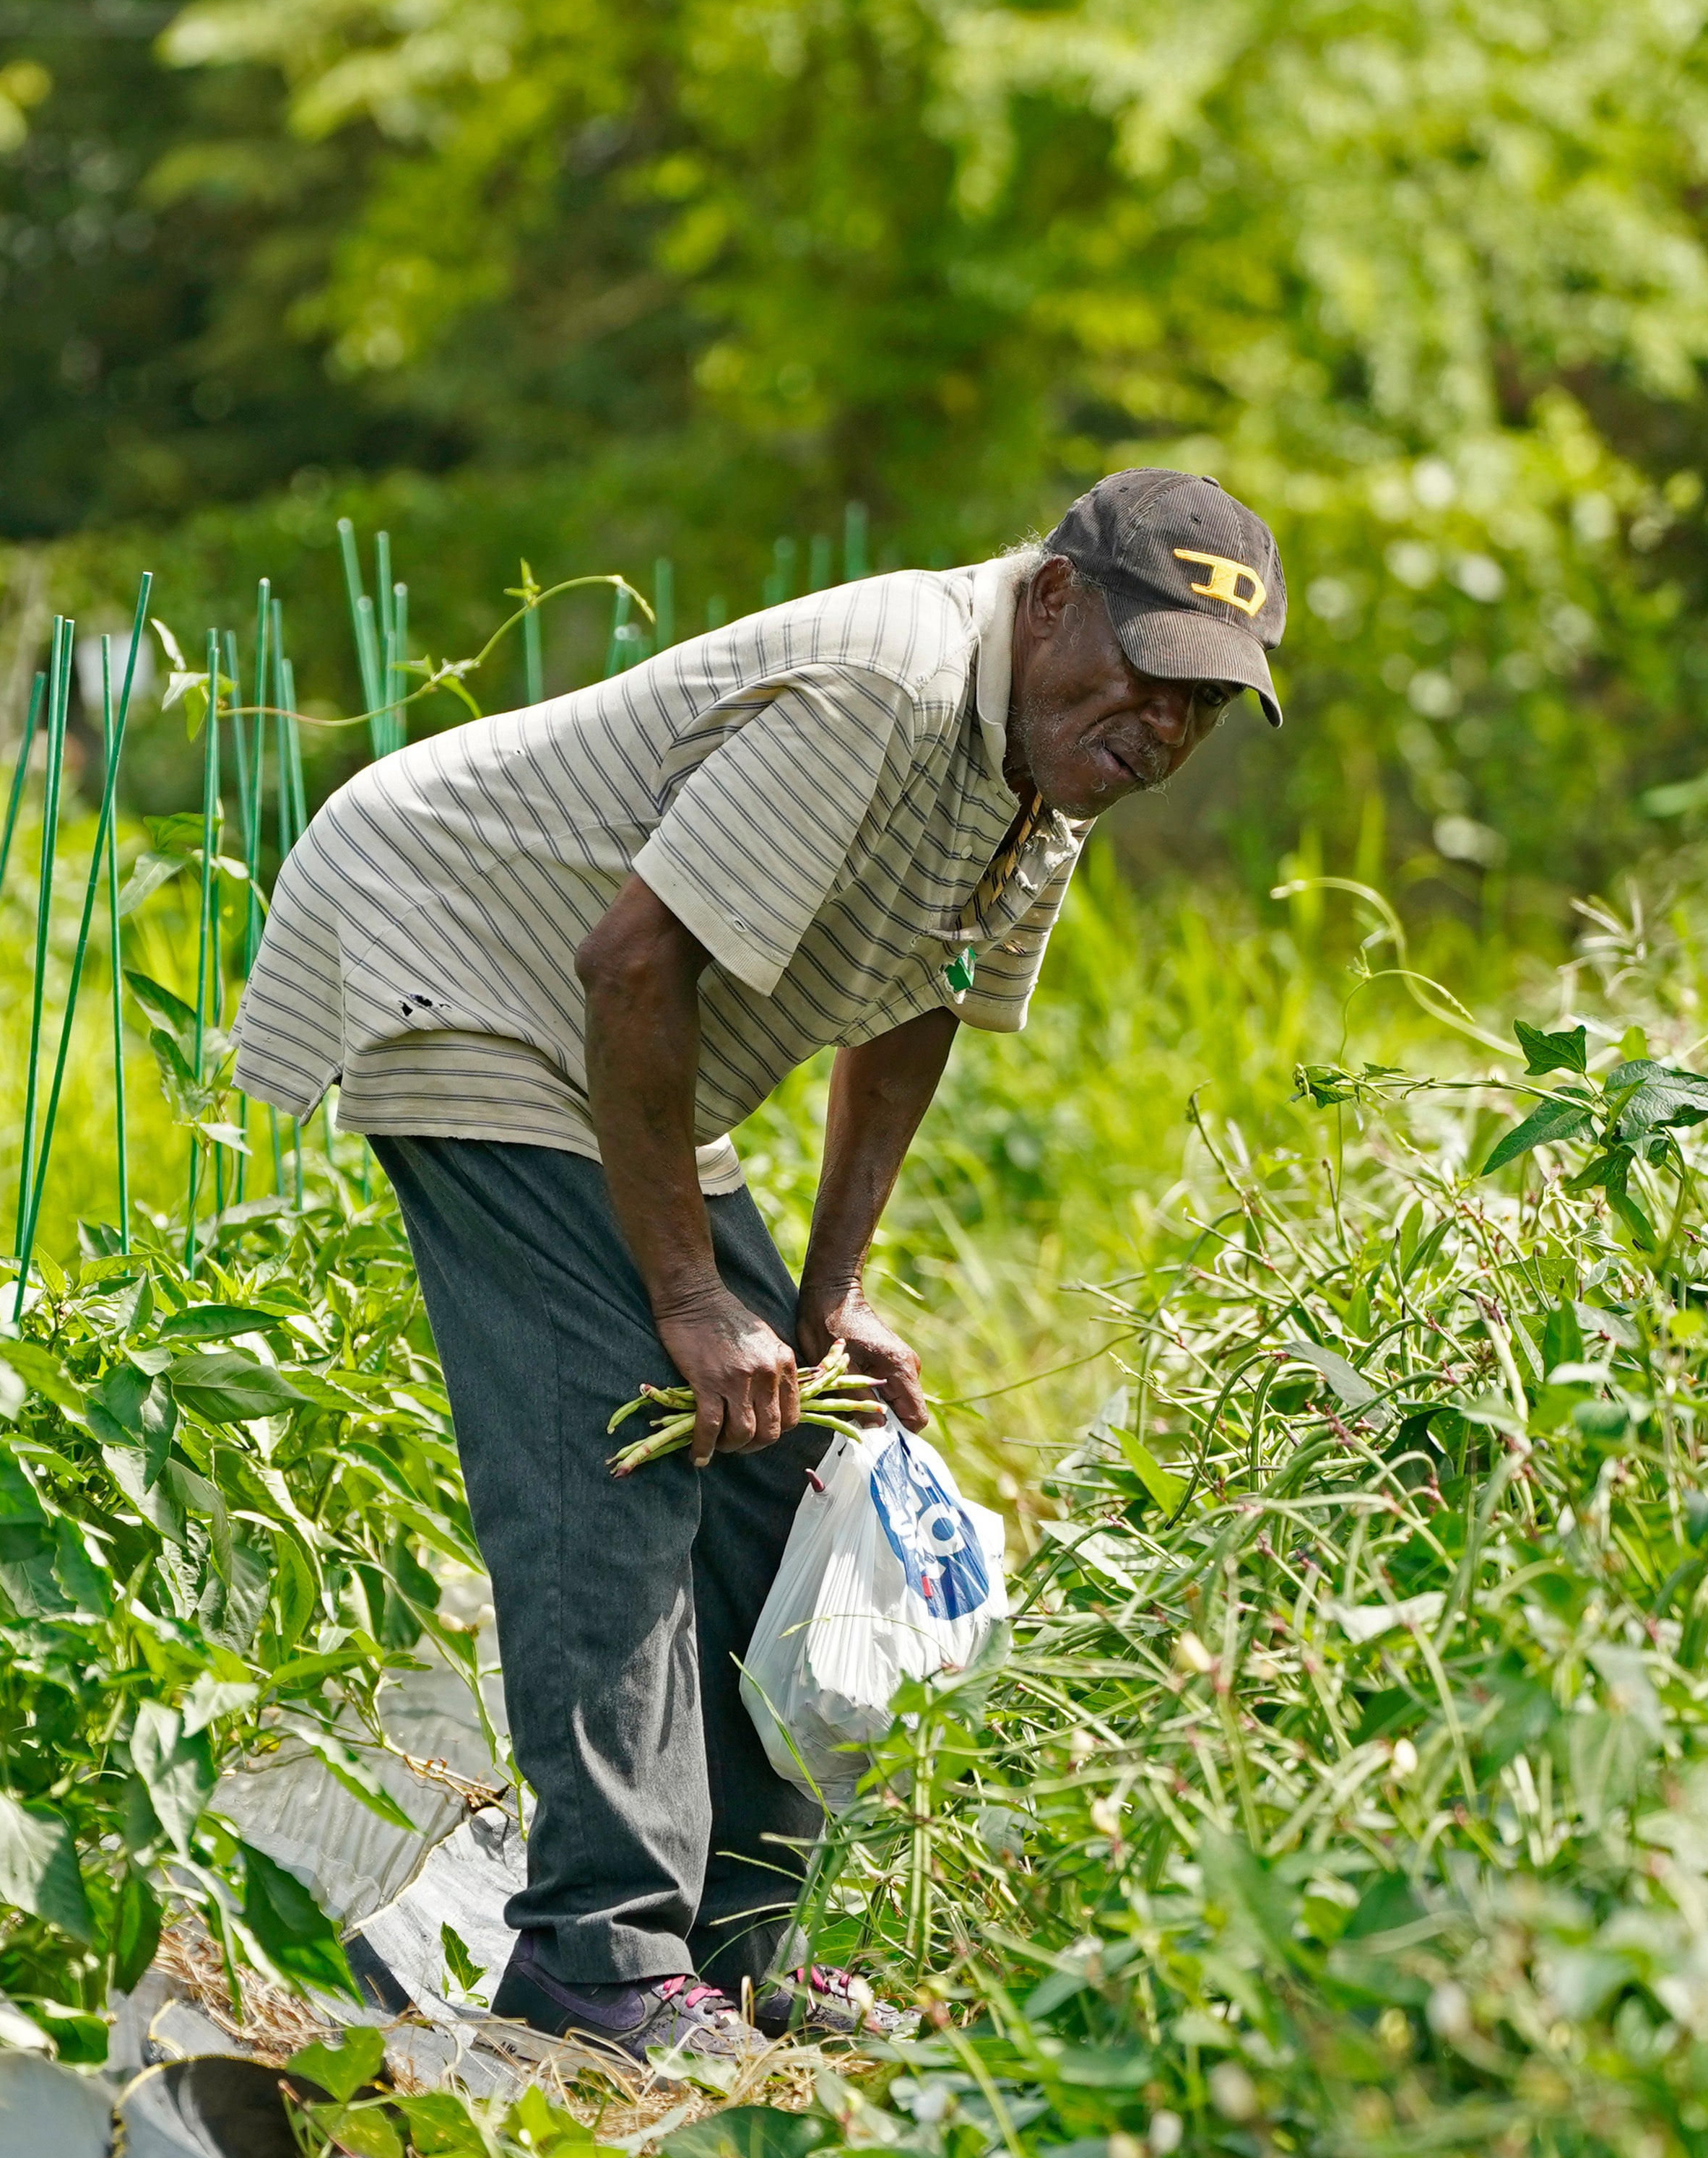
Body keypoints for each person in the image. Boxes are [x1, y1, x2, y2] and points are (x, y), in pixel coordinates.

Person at [235, 471, 1289, 2058]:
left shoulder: (1042, 777)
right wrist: (682, 1297)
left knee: (784, 1445)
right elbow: (629, 958)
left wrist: (820, 1300)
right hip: (461, 955)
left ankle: (728, 1946)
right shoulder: (888, 683)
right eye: (1140, 670)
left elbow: (916, 1013)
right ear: (1052, 595)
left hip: (616, 1036)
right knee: (625, 1435)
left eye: (1195, 707)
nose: (1153, 723)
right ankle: (598, 1955)